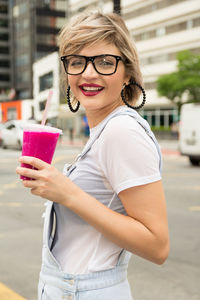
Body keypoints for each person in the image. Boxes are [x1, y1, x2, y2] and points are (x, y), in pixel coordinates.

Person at [16, 10, 169, 300]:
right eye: (76, 62)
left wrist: (68, 193)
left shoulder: (121, 131)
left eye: (105, 62)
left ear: (127, 73)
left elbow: (157, 246)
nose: (88, 73)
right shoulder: (104, 130)